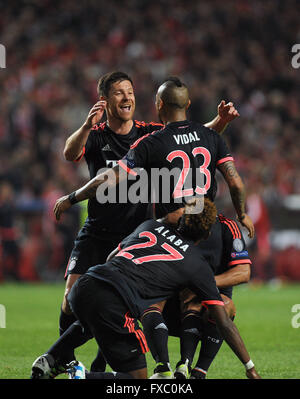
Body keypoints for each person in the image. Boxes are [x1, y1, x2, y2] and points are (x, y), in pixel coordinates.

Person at [58, 71, 241, 370]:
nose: (128, 97)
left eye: (130, 91)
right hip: (98, 230)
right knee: (71, 299)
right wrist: (85, 127)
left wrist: (220, 123)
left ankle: (101, 362)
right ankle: (65, 359)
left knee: (124, 303)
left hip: (135, 234)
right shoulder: (96, 134)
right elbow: (70, 153)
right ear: (104, 100)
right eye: (119, 92)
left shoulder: (149, 133)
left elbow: (189, 137)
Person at [31, 199, 260, 379]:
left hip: (87, 283)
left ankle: (50, 359)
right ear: (207, 235)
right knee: (136, 379)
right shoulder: (196, 264)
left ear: (181, 219)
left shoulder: (150, 225)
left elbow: (113, 256)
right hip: (115, 299)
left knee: (92, 320)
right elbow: (223, 322)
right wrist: (249, 366)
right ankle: (83, 376)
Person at [140, 210, 251, 379]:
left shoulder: (227, 226)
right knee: (146, 299)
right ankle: (163, 367)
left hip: (208, 308)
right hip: (170, 303)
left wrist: (202, 283)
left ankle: (197, 372)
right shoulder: (166, 224)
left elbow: (243, 273)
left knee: (224, 305)